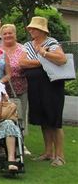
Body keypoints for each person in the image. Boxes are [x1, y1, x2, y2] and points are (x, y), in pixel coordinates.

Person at [20, 16, 67, 167]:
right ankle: (48, 152)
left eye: (34, 28)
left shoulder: (51, 43)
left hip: (52, 87)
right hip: (35, 87)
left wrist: (44, 53)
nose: (31, 30)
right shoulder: (28, 45)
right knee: (43, 120)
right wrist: (42, 61)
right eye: (31, 28)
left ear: (41, 30)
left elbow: (61, 59)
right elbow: (22, 62)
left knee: (54, 120)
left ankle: (59, 155)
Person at [0, 23, 31, 154]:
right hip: (2, 90)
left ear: (15, 34)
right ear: (1, 36)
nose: (7, 35)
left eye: (10, 33)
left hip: (20, 89)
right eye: (5, 33)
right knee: (3, 118)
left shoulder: (23, 49)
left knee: (20, 117)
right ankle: (1, 146)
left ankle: (21, 144)